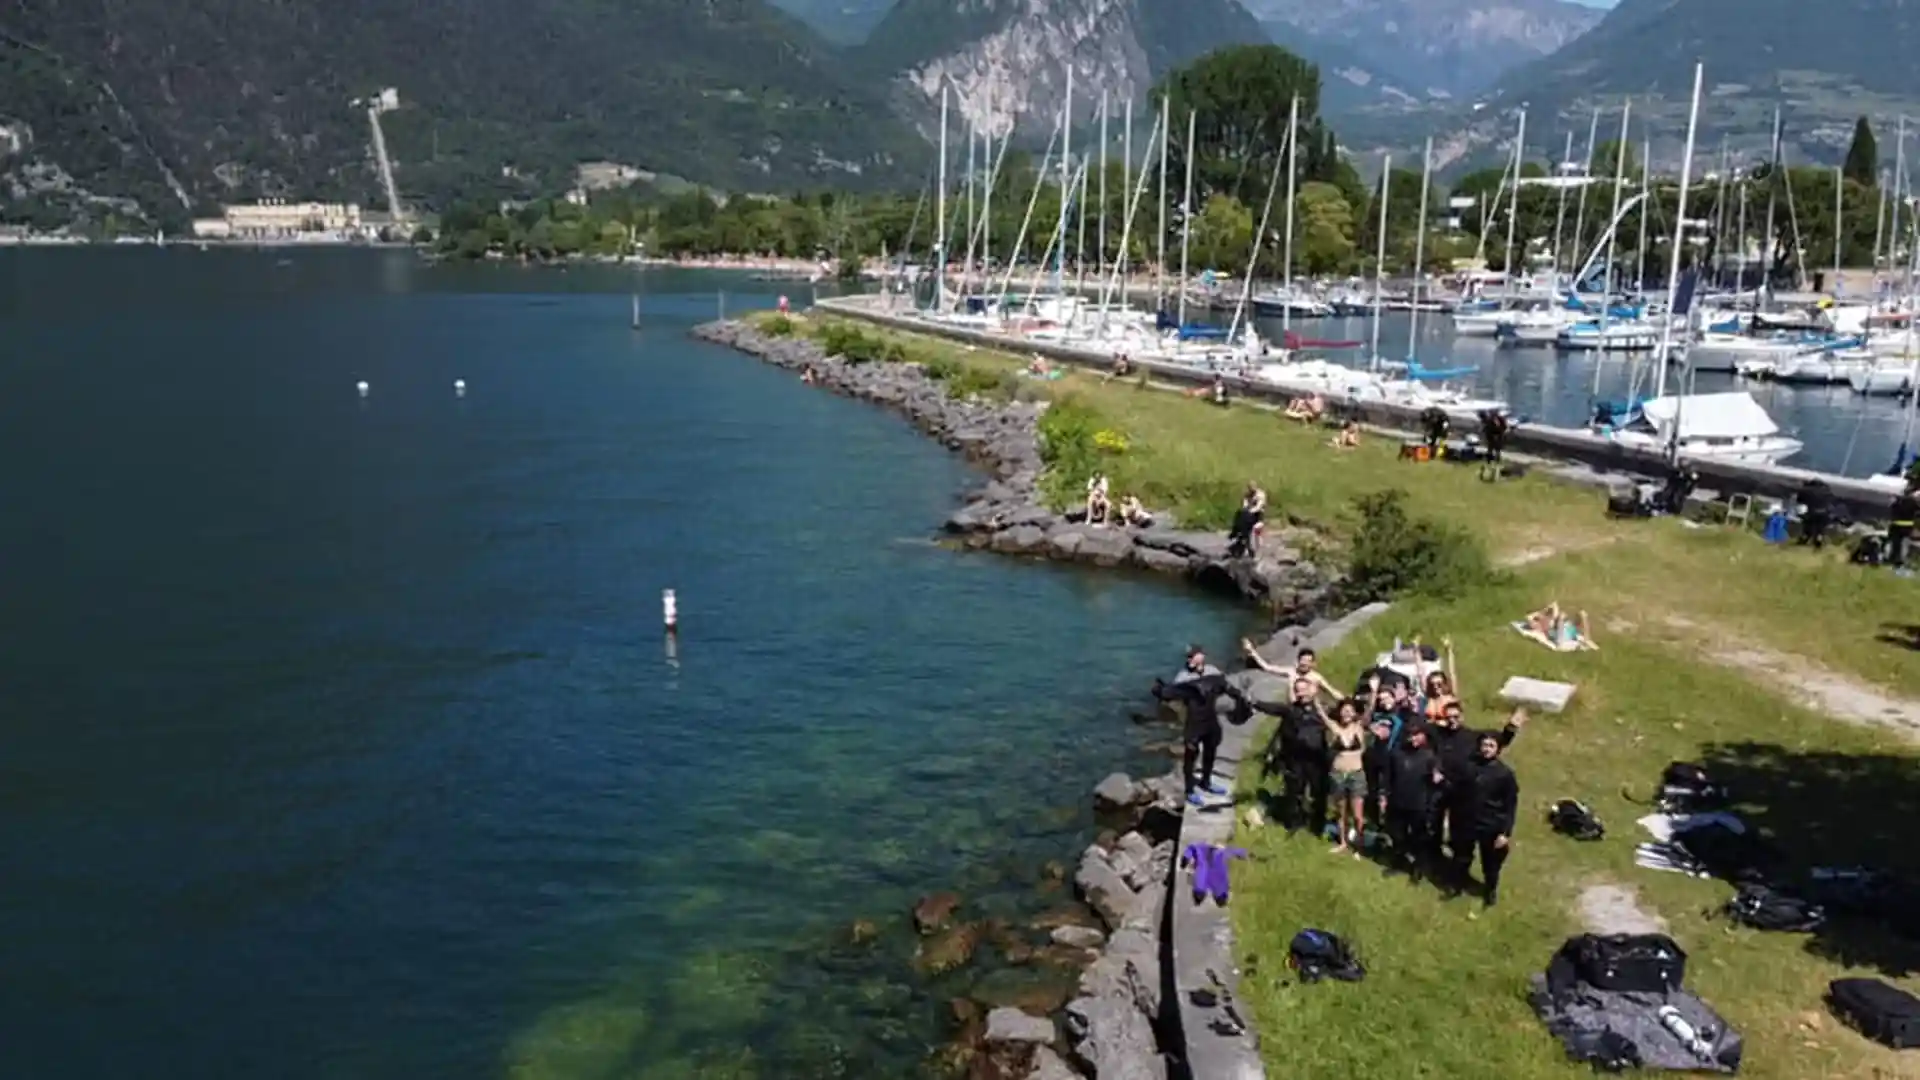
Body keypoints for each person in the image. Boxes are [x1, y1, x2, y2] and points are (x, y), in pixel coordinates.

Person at [1430, 700, 1529, 892]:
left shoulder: (1473, 740)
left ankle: (1489, 889)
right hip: (1453, 796)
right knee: (1458, 847)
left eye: (1456, 716)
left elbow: (1497, 739)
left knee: (1490, 858)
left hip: (1482, 812)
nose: (1452, 720)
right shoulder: (1439, 735)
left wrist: (1511, 727)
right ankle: (1453, 877)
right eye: (1448, 717)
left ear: (1462, 716)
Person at [1151, 668, 1252, 807]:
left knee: (1210, 751)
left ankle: (1206, 781)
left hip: (1209, 723)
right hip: (1194, 726)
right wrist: (1159, 689)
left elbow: (1233, 692)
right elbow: (1167, 692)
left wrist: (1242, 700)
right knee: (1191, 755)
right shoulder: (1192, 687)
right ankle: (1189, 790)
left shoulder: (1214, 682)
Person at [1458, 732, 1519, 907]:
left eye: (1491, 746)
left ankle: (1490, 890)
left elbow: (1510, 805)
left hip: (1491, 825)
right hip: (1468, 821)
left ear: (1498, 749)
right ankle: (1460, 882)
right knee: (1463, 855)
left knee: (1490, 863)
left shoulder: (1505, 774)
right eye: (1484, 745)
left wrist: (1505, 833)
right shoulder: (1470, 767)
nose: (1486, 749)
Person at [1271, 677, 1331, 835]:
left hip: (1317, 759)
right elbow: (1273, 708)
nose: (1301, 693)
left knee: (1319, 792)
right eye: (1298, 690)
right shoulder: (1291, 709)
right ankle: (1293, 822)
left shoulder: (1323, 709)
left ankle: (1318, 825)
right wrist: (1252, 702)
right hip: (1296, 759)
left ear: (1312, 690)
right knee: (1294, 791)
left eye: (1304, 689)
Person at [1383, 723, 1441, 881]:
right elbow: (1388, 777)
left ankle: (1418, 868)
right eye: (1410, 735)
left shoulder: (1429, 756)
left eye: (1417, 735)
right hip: (1397, 802)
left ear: (1423, 736)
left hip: (1419, 804)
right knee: (1397, 836)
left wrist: (1436, 776)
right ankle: (1398, 863)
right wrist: (1384, 796)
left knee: (1419, 838)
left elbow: (1437, 774)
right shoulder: (1396, 753)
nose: (1413, 738)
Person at [1322, 698, 1370, 854]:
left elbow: (1369, 711)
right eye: (1344, 709)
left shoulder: (1359, 727)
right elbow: (1322, 716)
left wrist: (1374, 692)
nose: (1347, 712)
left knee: (1358, 816)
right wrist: (1314, 698)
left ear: (1355, 713)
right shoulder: (1335, 728)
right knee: (1341, 813)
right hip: (1338, 774)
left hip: (1356, 774)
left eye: (1350, 710)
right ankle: (1343, 842)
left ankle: (1358, 847)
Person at [1241, 639, 1340, 704]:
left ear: (1313, 664)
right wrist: (1252, 652)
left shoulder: (1316, 677)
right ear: (1298, 660)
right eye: (1303, 660)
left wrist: (1347, 702)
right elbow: (1267, 667)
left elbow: (1332, 692)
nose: (1304, 663)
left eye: (1308, 661)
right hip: (1292, 710)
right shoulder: (1291, 672)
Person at [1796, 478, 1834, 548]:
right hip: (1824, 513)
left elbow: (1799, 500)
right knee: (1820, 528)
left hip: (1811, 512)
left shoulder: (1806, 490)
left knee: (1808, 526)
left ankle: (1805, 539)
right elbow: (1831, 502)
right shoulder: (1827, 491)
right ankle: (1819, 539)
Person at [1889, 484, 1918, 570]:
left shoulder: (1898, 501)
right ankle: (1901, 562)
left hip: (1897, 526)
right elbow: (1917, 512)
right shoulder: (1913, 502)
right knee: (1904, 545)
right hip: (1907, 527)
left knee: (1896, 545)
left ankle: (1894, 561)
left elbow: (1892, 509)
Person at [1478, 409, 1512, 481]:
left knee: (1496, 450)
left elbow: (1503, 428)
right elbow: (1484, 429)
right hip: (1492, 436)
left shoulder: (1497, 420)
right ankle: (1490, 464)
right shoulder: (1489, 420)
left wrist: (1500, 435)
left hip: (1497, 435)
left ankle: (1495, 465)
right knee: (1491, 450)